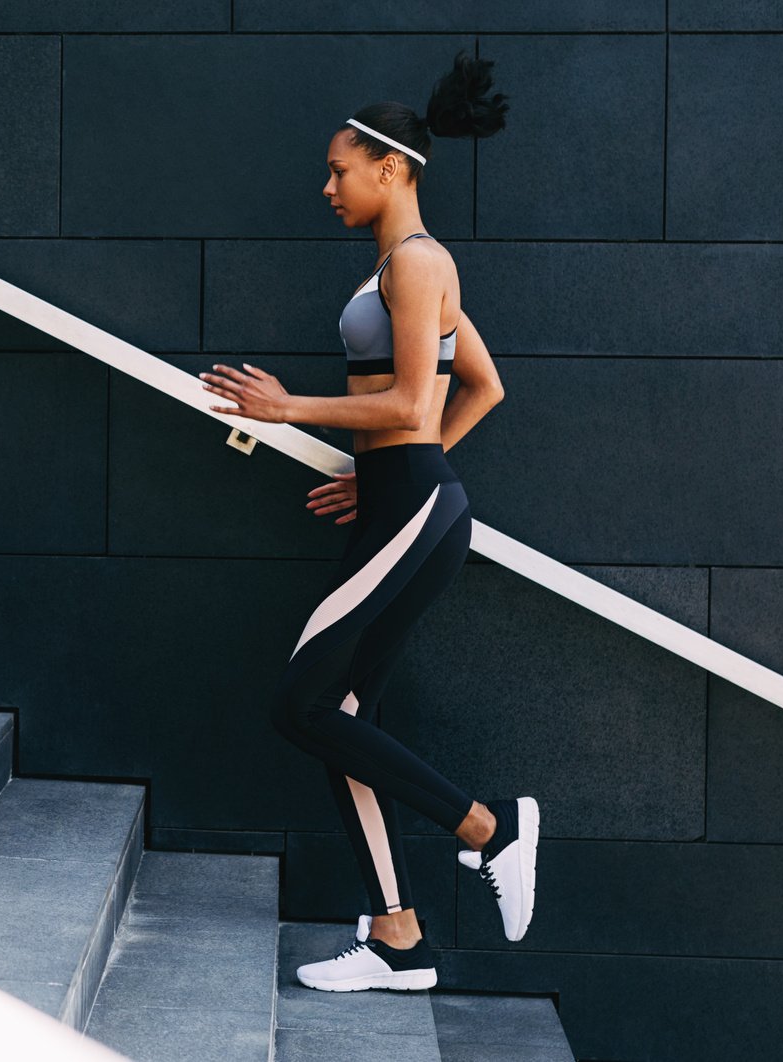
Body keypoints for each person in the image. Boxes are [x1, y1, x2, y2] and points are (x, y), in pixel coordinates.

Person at [199, 50, 536, 993]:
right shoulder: (401, 267)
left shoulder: (421, 260)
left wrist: (290, 410)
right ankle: (399, 938)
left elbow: (411, 408)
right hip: (399, 499)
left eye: (340, 169)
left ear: (391, 169)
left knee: (301, 704)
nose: (328, 185)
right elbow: (484, 385)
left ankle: (490, 827)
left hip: (416, 509)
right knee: (340, 714)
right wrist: (376, 470)